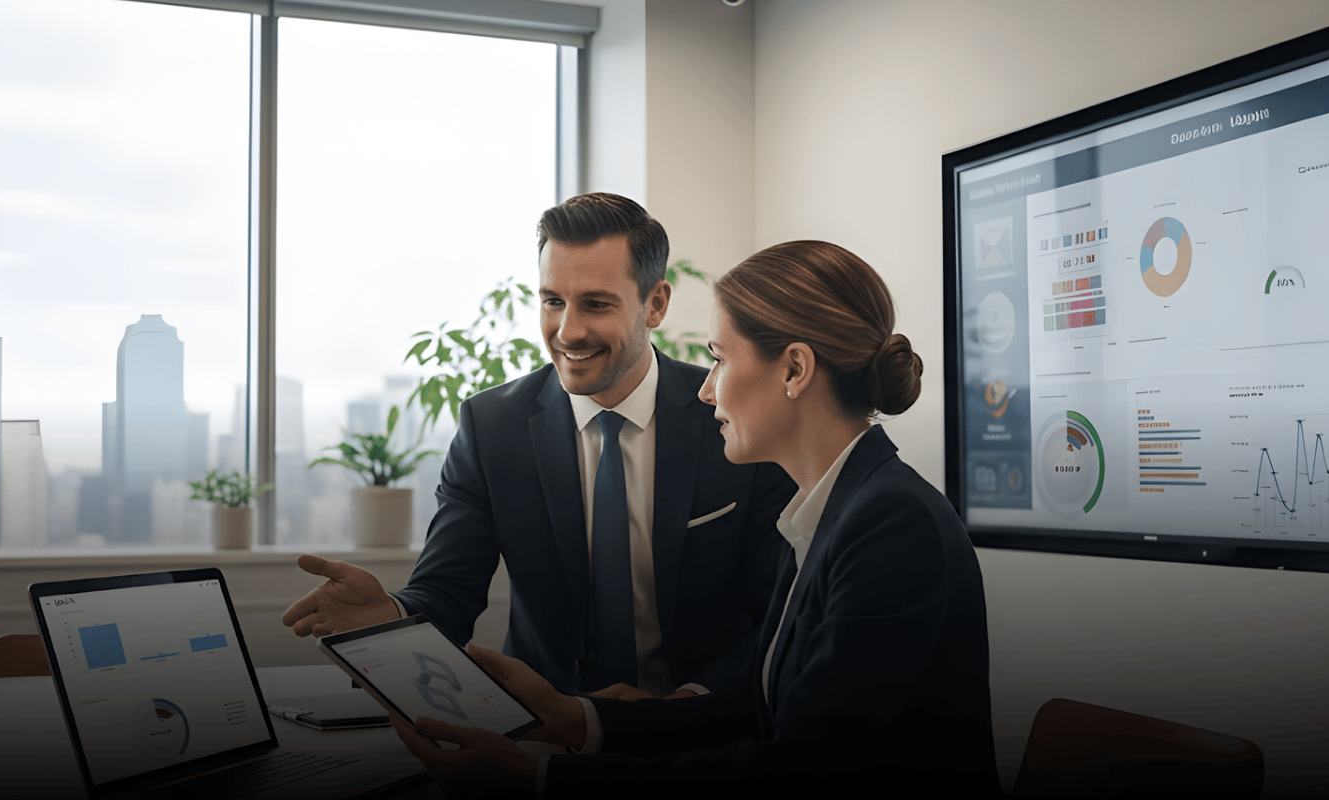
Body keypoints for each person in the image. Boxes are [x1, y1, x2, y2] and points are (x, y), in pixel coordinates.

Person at [391, 241, 997, 797]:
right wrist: (576, 718)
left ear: (794, 370)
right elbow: (753, 709)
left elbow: (805, 768)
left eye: (720, 359)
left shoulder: (890, 525)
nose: (707, 390)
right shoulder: (831, 510)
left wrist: (539, 778)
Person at [282, 193, 795, 699]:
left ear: (654, 303)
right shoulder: (491, 426)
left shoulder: (729, 417)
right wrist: (390, 617)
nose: (567, 332)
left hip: (699, 732)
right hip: (545, 725)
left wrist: (688, 704)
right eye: (553, 301)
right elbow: (446, 594)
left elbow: (776, 612)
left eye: (595, 304)